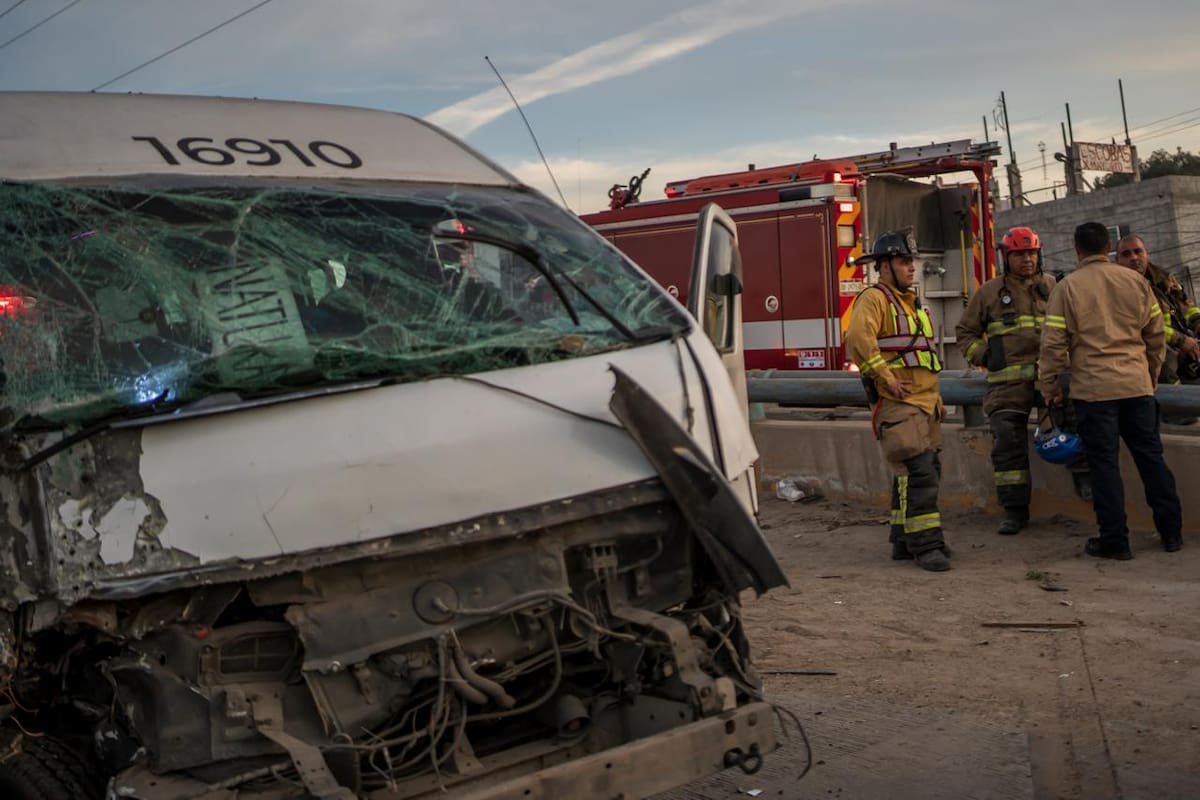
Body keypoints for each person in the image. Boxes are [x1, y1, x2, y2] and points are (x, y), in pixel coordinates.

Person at [1038, 222, 1183, 558]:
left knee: (1104, 466)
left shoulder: (1067, 287)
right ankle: (1171, 534)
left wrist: (1050, 386)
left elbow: (1053, 345)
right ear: (1108, 248)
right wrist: (1150, 371)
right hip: (1136, 385)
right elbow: (1156, 334)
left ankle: (1115, 541)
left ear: (1078, 250)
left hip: (1094, 391)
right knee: (1151, 459)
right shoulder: (1136, 281)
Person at [846, 229, 951, 572]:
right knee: (921, 472)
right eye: (904, 262)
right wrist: (887, 378)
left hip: (924, 403)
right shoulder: (874, 299)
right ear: (885, 266)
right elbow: (859, 341)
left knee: (914, 473)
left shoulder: (913, 303)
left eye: (912, 262)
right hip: (899, 403)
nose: (911, 268)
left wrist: (936, 399)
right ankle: (927, 545)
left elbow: (923, 356)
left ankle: (902, 540)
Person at [956, 226, 1058, 535]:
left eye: (1031, 253)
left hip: (1050, 381)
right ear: (1006, 257)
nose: (1027, 259)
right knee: (1007, 445)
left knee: (1073, 426)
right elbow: (965, 333)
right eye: (1019, 254)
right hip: (1007, 387)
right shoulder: (989, 293)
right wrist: (985, 356)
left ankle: (1087, 489)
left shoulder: (1054, 286)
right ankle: (1015, 511)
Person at [1115, 234, 1200, 405]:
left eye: (1138, 252)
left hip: (1179, 339)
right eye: (1126, 254)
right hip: (1149, 345)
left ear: (1147, 253)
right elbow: (1143, 325)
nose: (1134, 258)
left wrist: (1197, 322)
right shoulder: (1119, 287)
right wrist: (1181, 340)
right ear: (1117, 260)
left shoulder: (1164, 278)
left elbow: (1186, 305)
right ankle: (1177, 409)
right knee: (1165, 360)